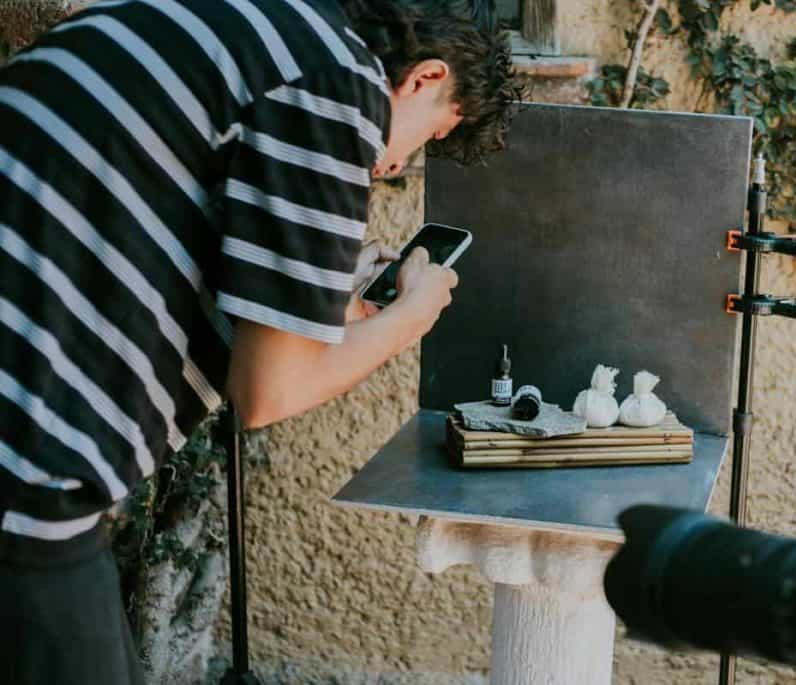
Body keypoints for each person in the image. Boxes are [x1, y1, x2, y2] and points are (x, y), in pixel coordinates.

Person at [0, 0, 519, 682]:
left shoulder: (244, 30)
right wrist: (409, 317)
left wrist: (319, 297)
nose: (388, 168)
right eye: (421, 139)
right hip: (27, 474)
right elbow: (270, 391)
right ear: (424, 77)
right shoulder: (339, 86)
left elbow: (136, 218)